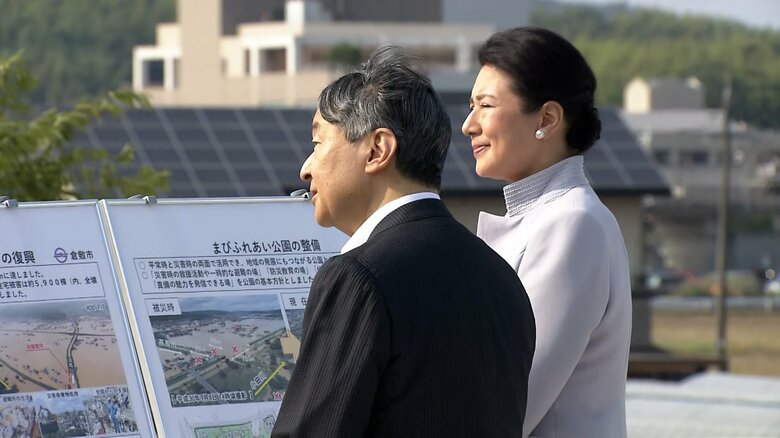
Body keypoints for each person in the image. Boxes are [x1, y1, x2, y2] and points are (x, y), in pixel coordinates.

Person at [272, 47, 535, 437]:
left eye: (317, 143)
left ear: (377, 149)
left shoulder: (358, 277)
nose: (305, 168)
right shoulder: (500, 277)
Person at [462, 27, 632, 438]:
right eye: (471, 106)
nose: (469, 125)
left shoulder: (572, 225)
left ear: (547, 118)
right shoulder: (557, 218)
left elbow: (509, 400)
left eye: (485, 105)